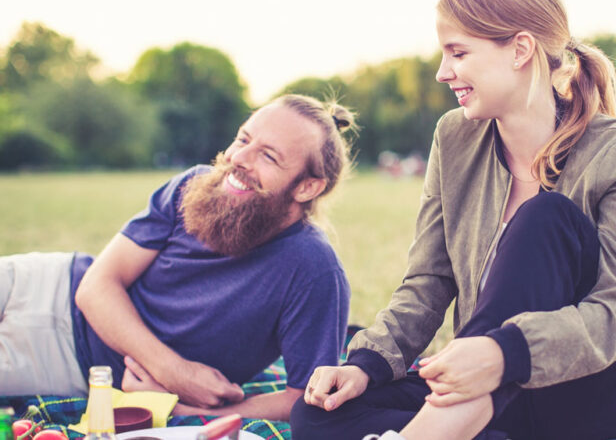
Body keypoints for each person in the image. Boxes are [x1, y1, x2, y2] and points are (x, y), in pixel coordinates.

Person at [291, 0, 616, 440]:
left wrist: (505, 353)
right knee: (320, 412)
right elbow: (429, 280)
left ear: (521, 50)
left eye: (458, 53)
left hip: (601, 394)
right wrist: (367, 362)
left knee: (545, 218)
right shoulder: (455, 138)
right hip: (497, 393)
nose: (444, 73)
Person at [0, 94, 354, 421]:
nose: (238, 159)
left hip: (68, 361)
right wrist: (175, 373)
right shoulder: (193, 185)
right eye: (243, 139)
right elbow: (95, 287)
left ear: (307, 187)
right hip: (45, 280)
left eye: (269, 156)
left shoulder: (314, 271)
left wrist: (179, 408)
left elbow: (305, 396)